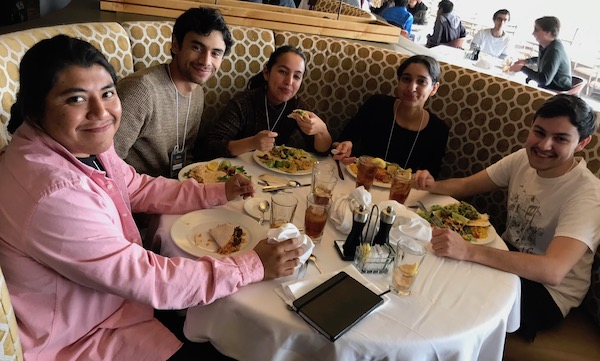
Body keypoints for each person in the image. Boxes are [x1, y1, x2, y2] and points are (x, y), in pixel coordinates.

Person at [0, 35, 303, 361]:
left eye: (107, 93)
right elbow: (147, 278)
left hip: (118, 307)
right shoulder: (54, 192)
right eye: (75, 99)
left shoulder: (76, 145)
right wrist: (252, 265)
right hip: (83, 338)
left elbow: (136, 187)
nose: (101, 112)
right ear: (37, 106)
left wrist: (216, 192)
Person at [412, 94, 600, 340]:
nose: (544, 145)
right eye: (539, 132)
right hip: (506, 256)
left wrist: (467, 251)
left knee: (444, 303)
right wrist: (430, 184)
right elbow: (465, 186)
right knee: (425, 269)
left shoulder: (587, 195)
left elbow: (552, 271)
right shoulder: (523, 158)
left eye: (560, 139)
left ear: (581, 143)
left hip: (547, 293)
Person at [114, 7, 234, 178]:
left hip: (174, 187)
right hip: (135, 193)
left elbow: (187, 153)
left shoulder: (198, 92)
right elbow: (105, 162)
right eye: (197, 48)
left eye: (215, 53)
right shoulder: (141, 90)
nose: (206, 61)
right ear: (176, 45)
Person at [197, 45, 332, 160]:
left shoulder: (296, 106)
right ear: (267, 72)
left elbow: (322, 152)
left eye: (296, 76)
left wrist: (322, 130)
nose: (289, 82)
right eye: (283, 72)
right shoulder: (243, 103)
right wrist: (251, 143)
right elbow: (211, 147)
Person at [333, 55, 449, 177]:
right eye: (406, 79)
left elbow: (431, 176)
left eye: (421, 81)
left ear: (434, 89)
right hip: (360, 179)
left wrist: (424, 178)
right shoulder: (377, 105)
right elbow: (341, 141)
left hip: (402, 191)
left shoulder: (438, 130)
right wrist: (344, 148)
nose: (411, 88)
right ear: (398, 82)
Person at [508, 16, 572, 91]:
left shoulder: (555, 50)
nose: (533, 33)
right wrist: (526, 61)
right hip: (546, 88)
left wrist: (522, 68)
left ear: (548, 33)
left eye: (536, 30)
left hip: (555, 93)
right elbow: (544, 58)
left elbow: (544, 80)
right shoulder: (546, 44)